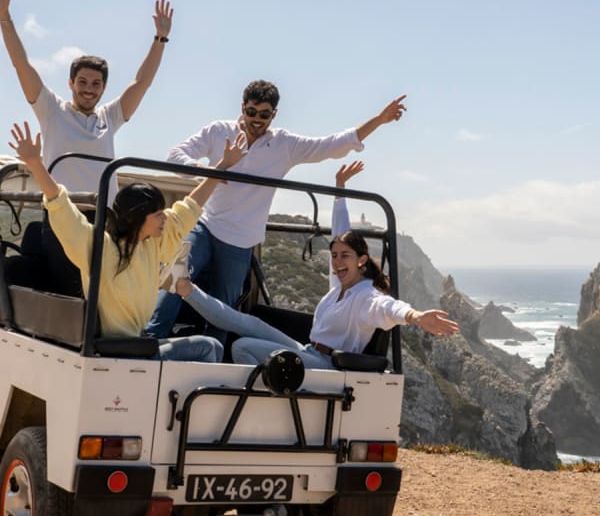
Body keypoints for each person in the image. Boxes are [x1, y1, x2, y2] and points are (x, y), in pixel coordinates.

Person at [145, 79, 407, 342]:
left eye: (264, 114)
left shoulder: (284, 144)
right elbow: (175, 156)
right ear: (242, 108)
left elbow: (331, 145)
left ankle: (212, 352)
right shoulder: (218, 131)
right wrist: (212, 171)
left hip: (240, 239)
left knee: (224, 307)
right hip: (206, 223)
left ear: (274, 115)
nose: (257, 119)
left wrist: (379, 120)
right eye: (251, 112)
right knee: (175, 273)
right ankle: (150, 339)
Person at [170, 161, 459, 368]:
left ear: (361, 260)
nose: (337, 261)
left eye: (345, 256)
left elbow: (389, 308)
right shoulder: (339, 285)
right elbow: (340, 230)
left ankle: (264, 399)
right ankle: (184, 287)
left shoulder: (367, 296)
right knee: (248, 322)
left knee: (243, 346)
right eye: (334, 255)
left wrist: (416, 316)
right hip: (309, 351)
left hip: (327, 365)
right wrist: (340, 190)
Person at [8, 121, 247, 361]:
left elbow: (190, 207)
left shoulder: (153, 243)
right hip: (120, 351)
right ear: (137, 218)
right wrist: (35, 163)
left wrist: (222, 166)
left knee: (210, 346)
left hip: (139, 342)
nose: (164, 217)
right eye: (158, 214)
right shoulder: (99, 246)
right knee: (210, 347)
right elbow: (61, 207)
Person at [0, 0, 173, 295]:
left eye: (95, 84)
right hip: (64, 215)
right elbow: (22, 65)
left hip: (104, 218)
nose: (89, 89)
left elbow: (141, 83)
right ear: (71, 83)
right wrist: (5, 20)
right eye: (82, 82)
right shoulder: (52, 110)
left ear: (103, 88)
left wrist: (160, 39)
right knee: (72, 288)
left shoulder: (110, 117)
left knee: (99, 290)